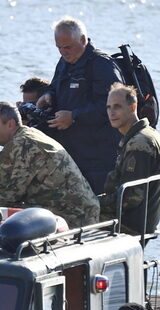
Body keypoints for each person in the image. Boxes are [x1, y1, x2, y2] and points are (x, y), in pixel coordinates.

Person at [0, 102, 99, 229]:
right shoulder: (27, 135)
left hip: (73, 219)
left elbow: (4, 200)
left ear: (10, 124)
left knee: (2, 216)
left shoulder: (22, 145)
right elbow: (11, 185)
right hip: (79, 212)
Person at [35, 17, 125, 194]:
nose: (63, 52)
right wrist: (48, 95)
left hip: (99, 158)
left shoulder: (102, 65)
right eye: (59, 48)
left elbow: (114, 108)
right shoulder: (64, 62)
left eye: (67, 47)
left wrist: (74, 116)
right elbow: (55, 87)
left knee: (98, 208)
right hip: (71, 154)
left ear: (83, 40)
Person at [99, 83, 160, 236]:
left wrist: (93, 203)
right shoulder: (146, 134)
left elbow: (130, 197)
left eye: (117, 107)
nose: (111, 112)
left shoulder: (139, 143)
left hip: (130, 226)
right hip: (137, 220)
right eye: (108, 107)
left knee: (69, 218)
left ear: (132, 107)